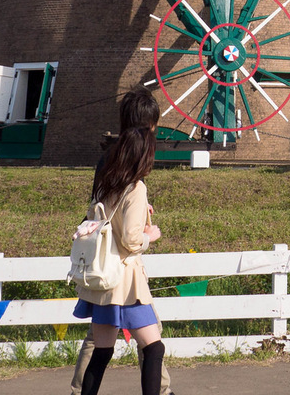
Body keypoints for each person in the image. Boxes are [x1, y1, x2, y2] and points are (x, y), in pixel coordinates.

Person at [70, 90, 165, 395]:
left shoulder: (106, 176)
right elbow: (131, 239)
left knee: (102, 350)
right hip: (126, 281)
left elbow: (98, 215)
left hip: (100, 278)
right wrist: (150, 235)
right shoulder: (136, 187)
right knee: (154, 347)